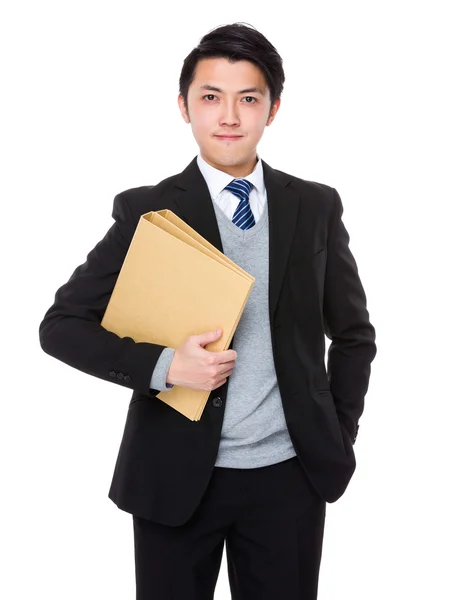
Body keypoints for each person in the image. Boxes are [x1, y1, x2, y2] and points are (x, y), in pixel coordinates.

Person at [39, 21, 377, 600]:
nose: (229, 116)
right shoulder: (148, 212)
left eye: (248, 98)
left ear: (272, 109)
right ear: (184, 107)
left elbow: (354, 335)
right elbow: (61, 328)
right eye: (210, 97)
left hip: (288, 478)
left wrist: (336, 432)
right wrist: (166, 367)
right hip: (176, 475)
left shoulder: (315, 206)